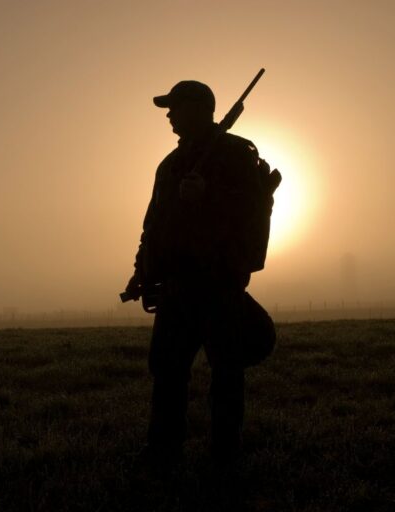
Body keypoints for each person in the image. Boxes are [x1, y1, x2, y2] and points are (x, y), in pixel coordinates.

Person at [125, 80, 265, 469]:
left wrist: (209, 195)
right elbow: (154, 225)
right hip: (175, 286)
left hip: (218, 283)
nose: (168, 115)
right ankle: (162, 452)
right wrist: (141, 270)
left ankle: (225, 456)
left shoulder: (236, 154)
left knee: (226, 372)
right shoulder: (169, 165)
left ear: (200, 108)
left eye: (175, 106)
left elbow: (252, 211)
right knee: (167, 372)